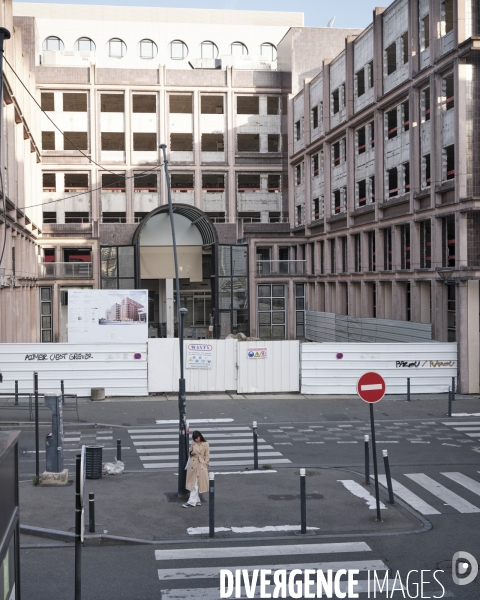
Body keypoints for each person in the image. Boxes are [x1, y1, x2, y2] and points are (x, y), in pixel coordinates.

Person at [183, 430, 210, 507]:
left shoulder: (206, 444)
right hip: (193, 464)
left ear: (200, 436)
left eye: (196, 438)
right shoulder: (193, 443)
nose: (195, 440)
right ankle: (196, 500)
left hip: (201, 465)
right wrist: (192, 453)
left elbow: (207, 455)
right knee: (194, 483)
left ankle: (192, 501)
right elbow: (190, 452)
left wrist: (205, 464)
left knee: (196, 483)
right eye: (194, 438)